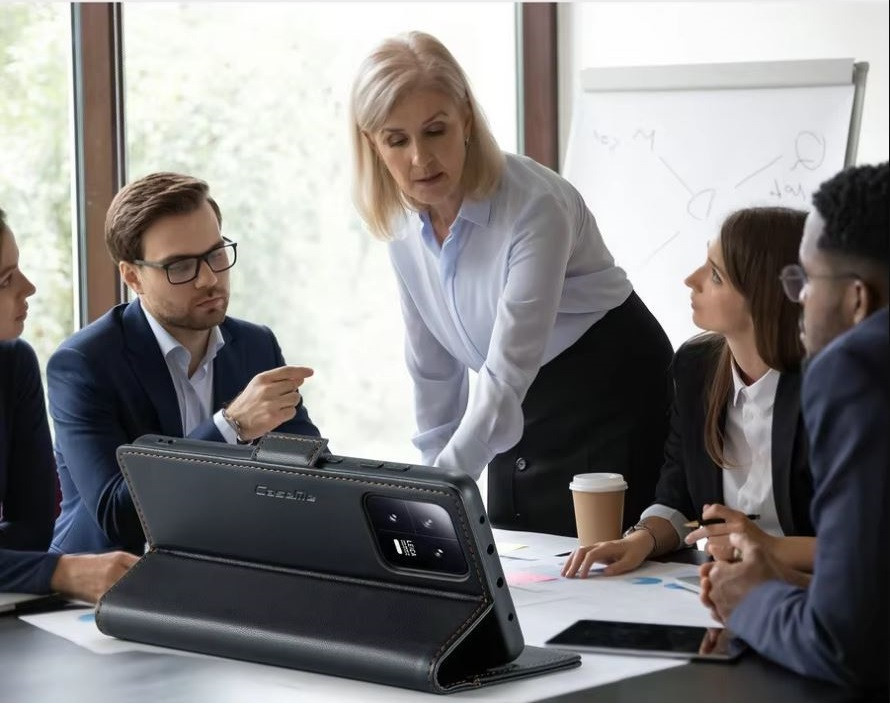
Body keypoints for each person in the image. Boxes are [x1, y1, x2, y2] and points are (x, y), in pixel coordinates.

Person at [349, 31, 673, 536]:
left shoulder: (534, 206)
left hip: (605, 388)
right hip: (514, 396)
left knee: (590, 560)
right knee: (513, 553)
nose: (420, 158)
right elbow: (432, 371)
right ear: (373, 143)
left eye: (435, 131)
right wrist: (430, 484)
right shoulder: (399, 224)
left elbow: (506, 373)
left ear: (466, 119)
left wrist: (437, 491)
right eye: (397, 140)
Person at [48, 173, 321, 556]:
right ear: (133, 277)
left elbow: (309, 477)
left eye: (216, 254)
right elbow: (118, 516)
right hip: (111, 577)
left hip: (223, 565)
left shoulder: (256, 346)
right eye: (179, 267)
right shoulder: (83, 365)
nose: (208, 279)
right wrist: (230, 427)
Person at [701, 162, 889, 688]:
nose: (798, 298)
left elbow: (844, 647)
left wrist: (752, 599)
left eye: (806, 280)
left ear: (857, 299)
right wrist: (791, 584)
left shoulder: (856, 367)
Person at [563, 207, 816, 578]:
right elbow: (678, 493)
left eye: (715, 275)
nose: (691, 280)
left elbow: (865, 544)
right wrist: (642, 539)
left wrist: (767, 547)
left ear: (763, 295)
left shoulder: (832, 387)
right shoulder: (697, 366)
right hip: (724, 587)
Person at [0, 208, 136, 602]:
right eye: (5, 280)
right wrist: (60, 572)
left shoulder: (14, 364)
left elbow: (32, 531)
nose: (29, 287)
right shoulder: (81, 362)